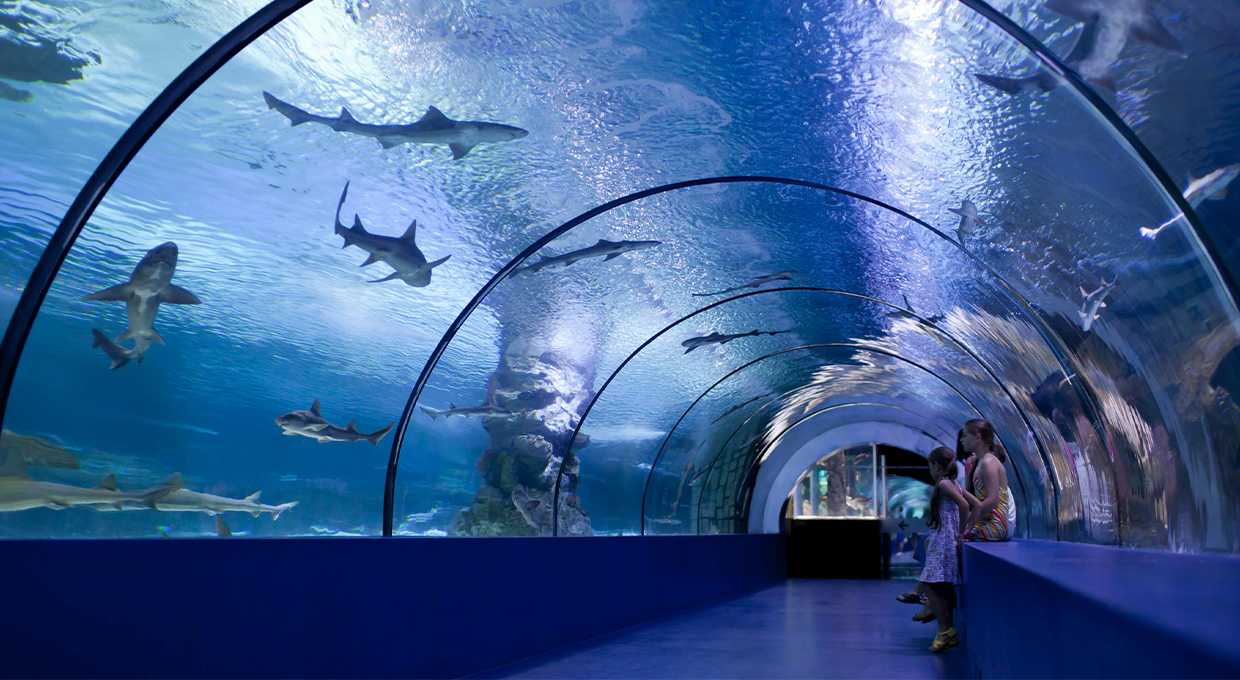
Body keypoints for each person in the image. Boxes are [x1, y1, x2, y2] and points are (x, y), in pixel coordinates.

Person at [917, 446, 979, 652]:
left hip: (943, 540)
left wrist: (962, 533)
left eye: (930, 466)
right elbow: (977, 505)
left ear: (936, 465)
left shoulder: (944, 483)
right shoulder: (955, 484)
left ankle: (945, 629)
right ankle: (945, 632)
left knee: (929, 585)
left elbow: (965, 505)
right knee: (942, 587)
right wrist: (966, 529)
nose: (930, 471)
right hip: (944, 540)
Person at [960, 418, 1016, 541]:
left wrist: (967, 519)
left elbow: (993, 501)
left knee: (953, 540)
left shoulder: (988, 462)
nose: (961, 440)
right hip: (986, 521)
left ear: (977, 437)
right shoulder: (982, 462)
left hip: (995, 524)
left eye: (965, 435)